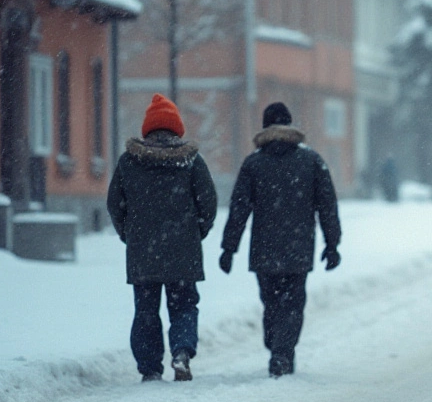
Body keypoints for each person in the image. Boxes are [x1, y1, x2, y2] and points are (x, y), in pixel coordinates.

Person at [220, 102, 342, 377]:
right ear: (290, 124)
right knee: (293, 303)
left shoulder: (254, 162)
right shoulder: (311, 161)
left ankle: (277, 347)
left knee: (271, 302)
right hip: (299, 247)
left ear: (265, 127)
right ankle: (283, 351)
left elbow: (239, 207)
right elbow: (327, 205)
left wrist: (229, 248)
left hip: (264, 250)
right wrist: (332, 244)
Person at [107, 93, 218, 382]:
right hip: (184, 249)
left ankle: (150, 367)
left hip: (143, 252)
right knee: (183, 305)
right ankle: (181, 352)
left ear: (148, 128)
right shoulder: (191, 161)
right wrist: (197, 232)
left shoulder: (129, 162)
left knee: (145, 310)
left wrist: (128, 234)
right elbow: (208, 202)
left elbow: (114, 203)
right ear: (176, 128)